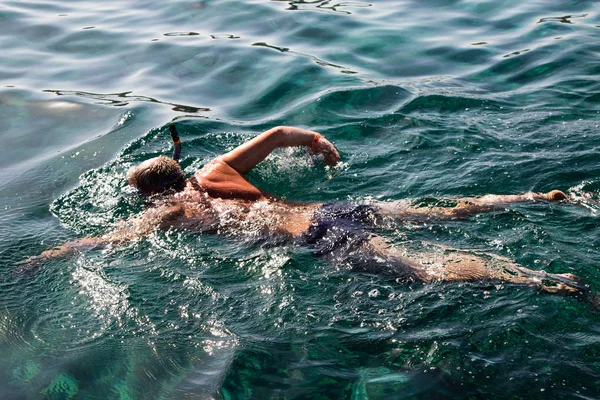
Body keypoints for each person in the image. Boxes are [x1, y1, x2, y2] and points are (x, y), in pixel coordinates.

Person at [20, 126, 591, 301]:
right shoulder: (216, 171)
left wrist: (48, 253)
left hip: (318, 236)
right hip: (333, 206)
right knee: (446, 212)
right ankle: (536, 199)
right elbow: (279, 133)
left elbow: (107, 241)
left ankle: (547, 279)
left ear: (155, 193)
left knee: (428, 269)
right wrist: (321, 146)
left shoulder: (168, 212)